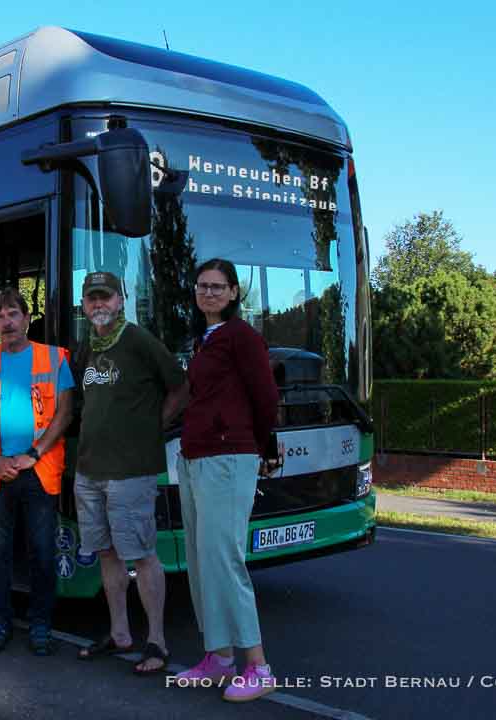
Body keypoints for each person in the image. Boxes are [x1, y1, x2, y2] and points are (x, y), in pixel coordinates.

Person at [172, 259, 281, 703]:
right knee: (200, 562)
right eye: (203, 286)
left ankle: (258, 665)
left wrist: (264, 446)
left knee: (225, 559)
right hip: (196, 457)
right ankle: (217, 657)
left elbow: (265, 396)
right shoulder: (206, 340)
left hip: (228, 457)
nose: (210, 293)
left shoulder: (242, 337)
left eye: (219, 287)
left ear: (235, 293)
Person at [71, 272, 187, 674]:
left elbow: (179, 385)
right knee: (106, 552)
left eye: (105, 298)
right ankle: (120, 633)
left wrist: (154, 427)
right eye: (92, 299)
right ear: (84, 306)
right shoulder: (86, 346)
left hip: (131, 471)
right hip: (89, 471)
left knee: (141, 554)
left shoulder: (138, 340)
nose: (99, 305)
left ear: (120, 301)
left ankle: (157, 641)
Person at [0, 287, 74, 655]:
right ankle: (0, 622)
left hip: (38, 471)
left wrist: (33, 454)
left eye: (13, 314)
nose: (7, 322)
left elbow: (65, 413)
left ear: (27, 318)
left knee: (42, 550)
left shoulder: (54, 358)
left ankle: (41, 625)